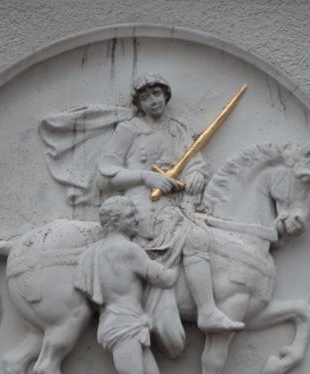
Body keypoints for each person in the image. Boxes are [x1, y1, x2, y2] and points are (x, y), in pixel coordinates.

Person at [97, 74, 244, 333]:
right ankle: (207, 311)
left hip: (176, 203)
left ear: (165, 95)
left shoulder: (178, 129)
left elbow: (195, 162)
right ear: (138, 104)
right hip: (141, 207)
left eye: (156, 94)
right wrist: (146, 177)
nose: (153, 101)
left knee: (205, 232)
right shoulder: (129, 130)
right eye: (145, 97)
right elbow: (104, 177)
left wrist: (197, 175)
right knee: (196, 236)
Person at [74, 196, 178, 374]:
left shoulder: (94, 252)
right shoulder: (129, 250)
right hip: (123, 324)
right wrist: (177, 257)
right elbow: (163, 278)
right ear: (116, 221)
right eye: (131, 216)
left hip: (125, 321)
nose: (137, 220)